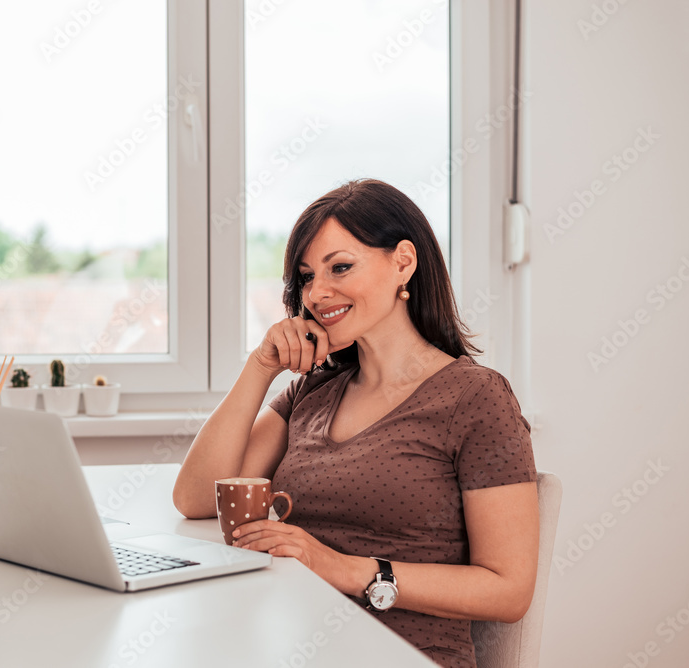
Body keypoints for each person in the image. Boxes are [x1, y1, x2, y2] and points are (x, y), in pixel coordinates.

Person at [172, 179, 538, 668]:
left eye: (340, 267)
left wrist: (342, 569)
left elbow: (508, 591)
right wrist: (260, 366)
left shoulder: (477, 398)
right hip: (287, 643)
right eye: (305, 277)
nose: (318, 294)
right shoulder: (313, 391)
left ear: (403, 262)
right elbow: (196, 498)